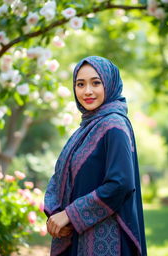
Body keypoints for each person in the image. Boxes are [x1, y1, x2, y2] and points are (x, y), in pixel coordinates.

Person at [44, 56, 147, 256]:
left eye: (96, 83)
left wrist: (70, 215)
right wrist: (57, 214)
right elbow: (62, 177)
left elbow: (121, 183)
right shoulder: (85, 128)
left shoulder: (114, 125)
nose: (87, 91)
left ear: (109, 84)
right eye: (80, 84)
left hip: (106, 238)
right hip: (77, 234)